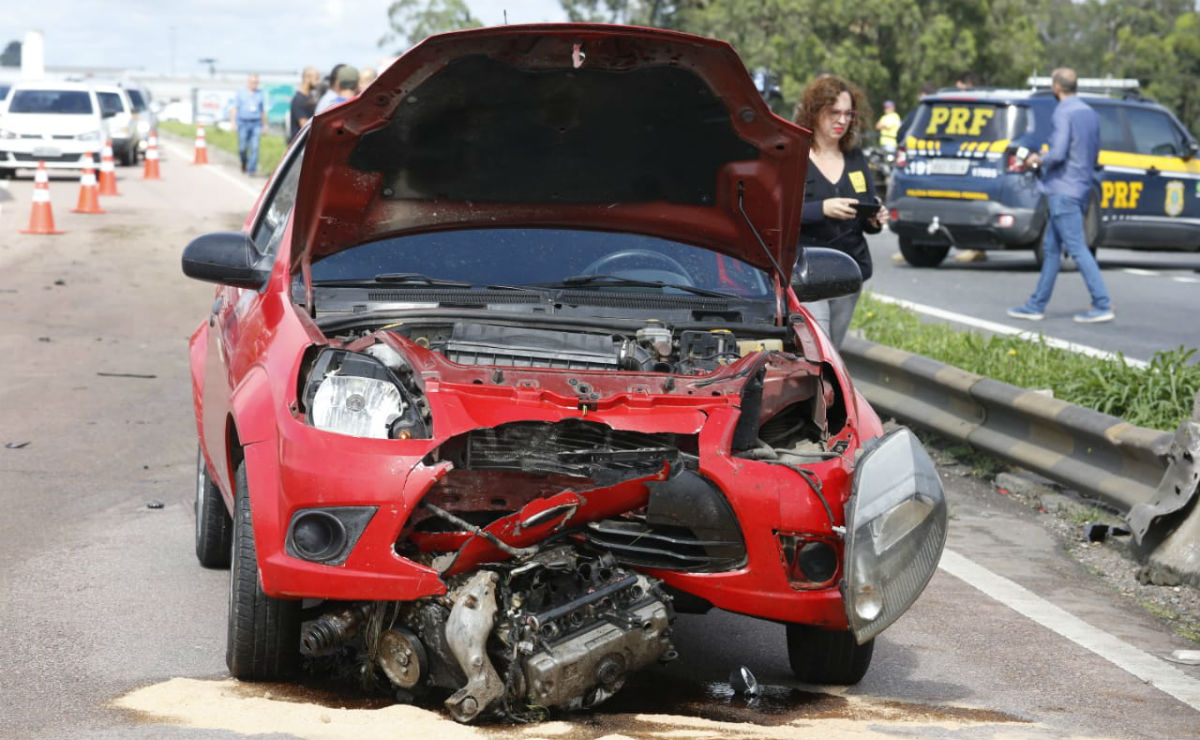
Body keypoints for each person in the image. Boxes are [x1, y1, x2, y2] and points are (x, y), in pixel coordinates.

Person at [1008, 68, 1113, 323]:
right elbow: (1094, 155)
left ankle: (1102, 303)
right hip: (1080, 187)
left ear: (1056, 87)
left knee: (1077, 248)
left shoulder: (1063, 113)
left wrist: (1037, 159)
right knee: (1052, 248)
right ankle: (1036, 305)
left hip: (1062, 189)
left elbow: (1057, 153)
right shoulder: (1089, 113)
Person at [794, 74, 885, 348]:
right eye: (834, 112)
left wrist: (875, 219)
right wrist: (823, 209)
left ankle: (828, 392)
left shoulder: (855, 157)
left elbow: (867, 210)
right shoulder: (795, 155)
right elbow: (780, 213)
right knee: (820, 348)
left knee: (834, 348)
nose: (842, 121)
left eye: (848, 114)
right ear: (814, 112)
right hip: (808, 272)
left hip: (850, 271)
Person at [229, 73, 267, 175]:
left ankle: (252, 170)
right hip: (243, 123)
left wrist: (265, 125)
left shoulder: (260, 94)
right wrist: (233, 122)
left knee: (255, 147)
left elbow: (263, 111)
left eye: (256, 82)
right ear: (248, 82)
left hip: (256, 123)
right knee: (242, 147)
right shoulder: (241, 93)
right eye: (252, 82)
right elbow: (234, 108)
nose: (254, 84)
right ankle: (244, 162)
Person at [289, 66, 320, 141]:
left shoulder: (310, 97)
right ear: (307, 78)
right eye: (316, 79)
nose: (318, 82)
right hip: (300, 145)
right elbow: (305, 125)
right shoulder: (298, 99)